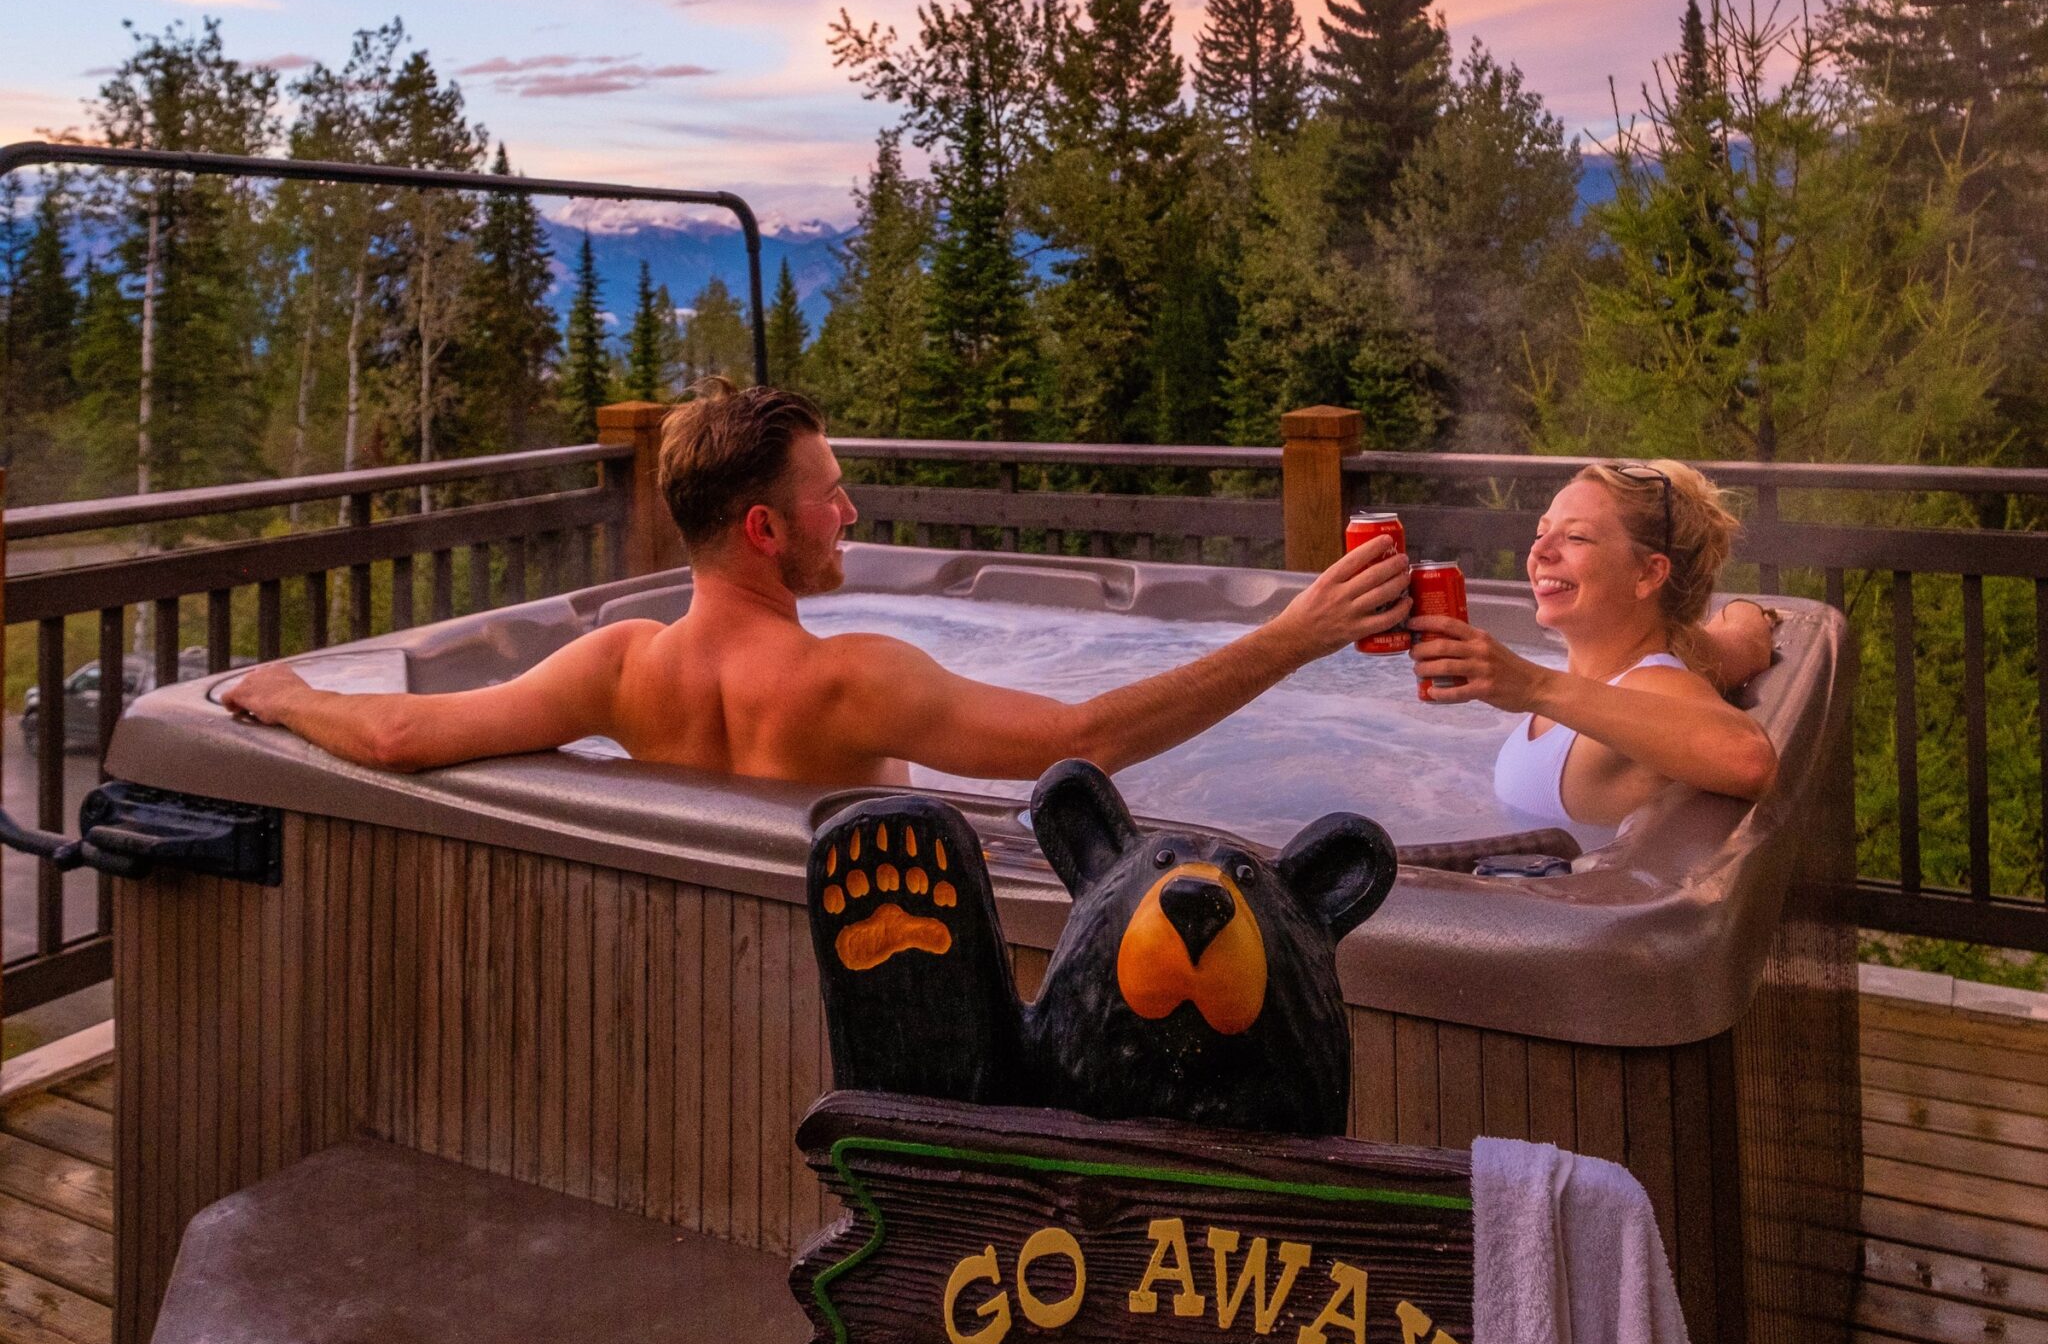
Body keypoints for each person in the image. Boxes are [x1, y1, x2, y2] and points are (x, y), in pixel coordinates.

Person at [223, 381, 1414, 787]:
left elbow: (390, 732)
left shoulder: (619, 663)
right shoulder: (850, 682)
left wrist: (280, 693)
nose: (848, 512)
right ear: (759, 527)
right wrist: (1295, 633)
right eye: (827, 495)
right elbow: (1085, 737)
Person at [1406, 459, 1778, 846]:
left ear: (1649, 574)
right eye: (1541, 533)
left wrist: (1532, 685)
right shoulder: (1607, 682)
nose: (1540, 553)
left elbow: (1750, 760)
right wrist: (1747, 613)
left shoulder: (1652, 684)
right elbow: (1741, 641)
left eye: (1577, 538)